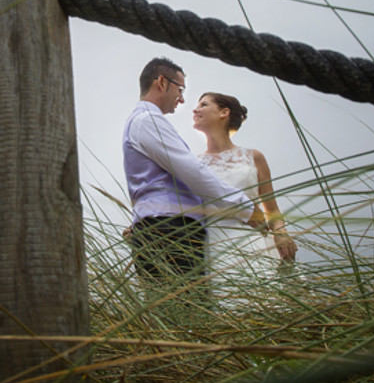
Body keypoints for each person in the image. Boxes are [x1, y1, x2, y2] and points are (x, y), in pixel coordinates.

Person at [123, 57, 265, 294]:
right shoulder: (148, 121)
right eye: (180, 89)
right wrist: (246, 208)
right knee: (183, 316)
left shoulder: (146, 122)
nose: (182, 99)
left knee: (183, 315)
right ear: (161, 82)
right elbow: (193, 173)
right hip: (169, 232)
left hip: (167, 230)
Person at [192, 91, 298, 280]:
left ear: (223, 113)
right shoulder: (193, 163)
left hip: (253, 243)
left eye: (203, 105)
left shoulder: (253, 157)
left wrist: (281, 233)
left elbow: (272, 210)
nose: (195, 110)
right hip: (213, 250)